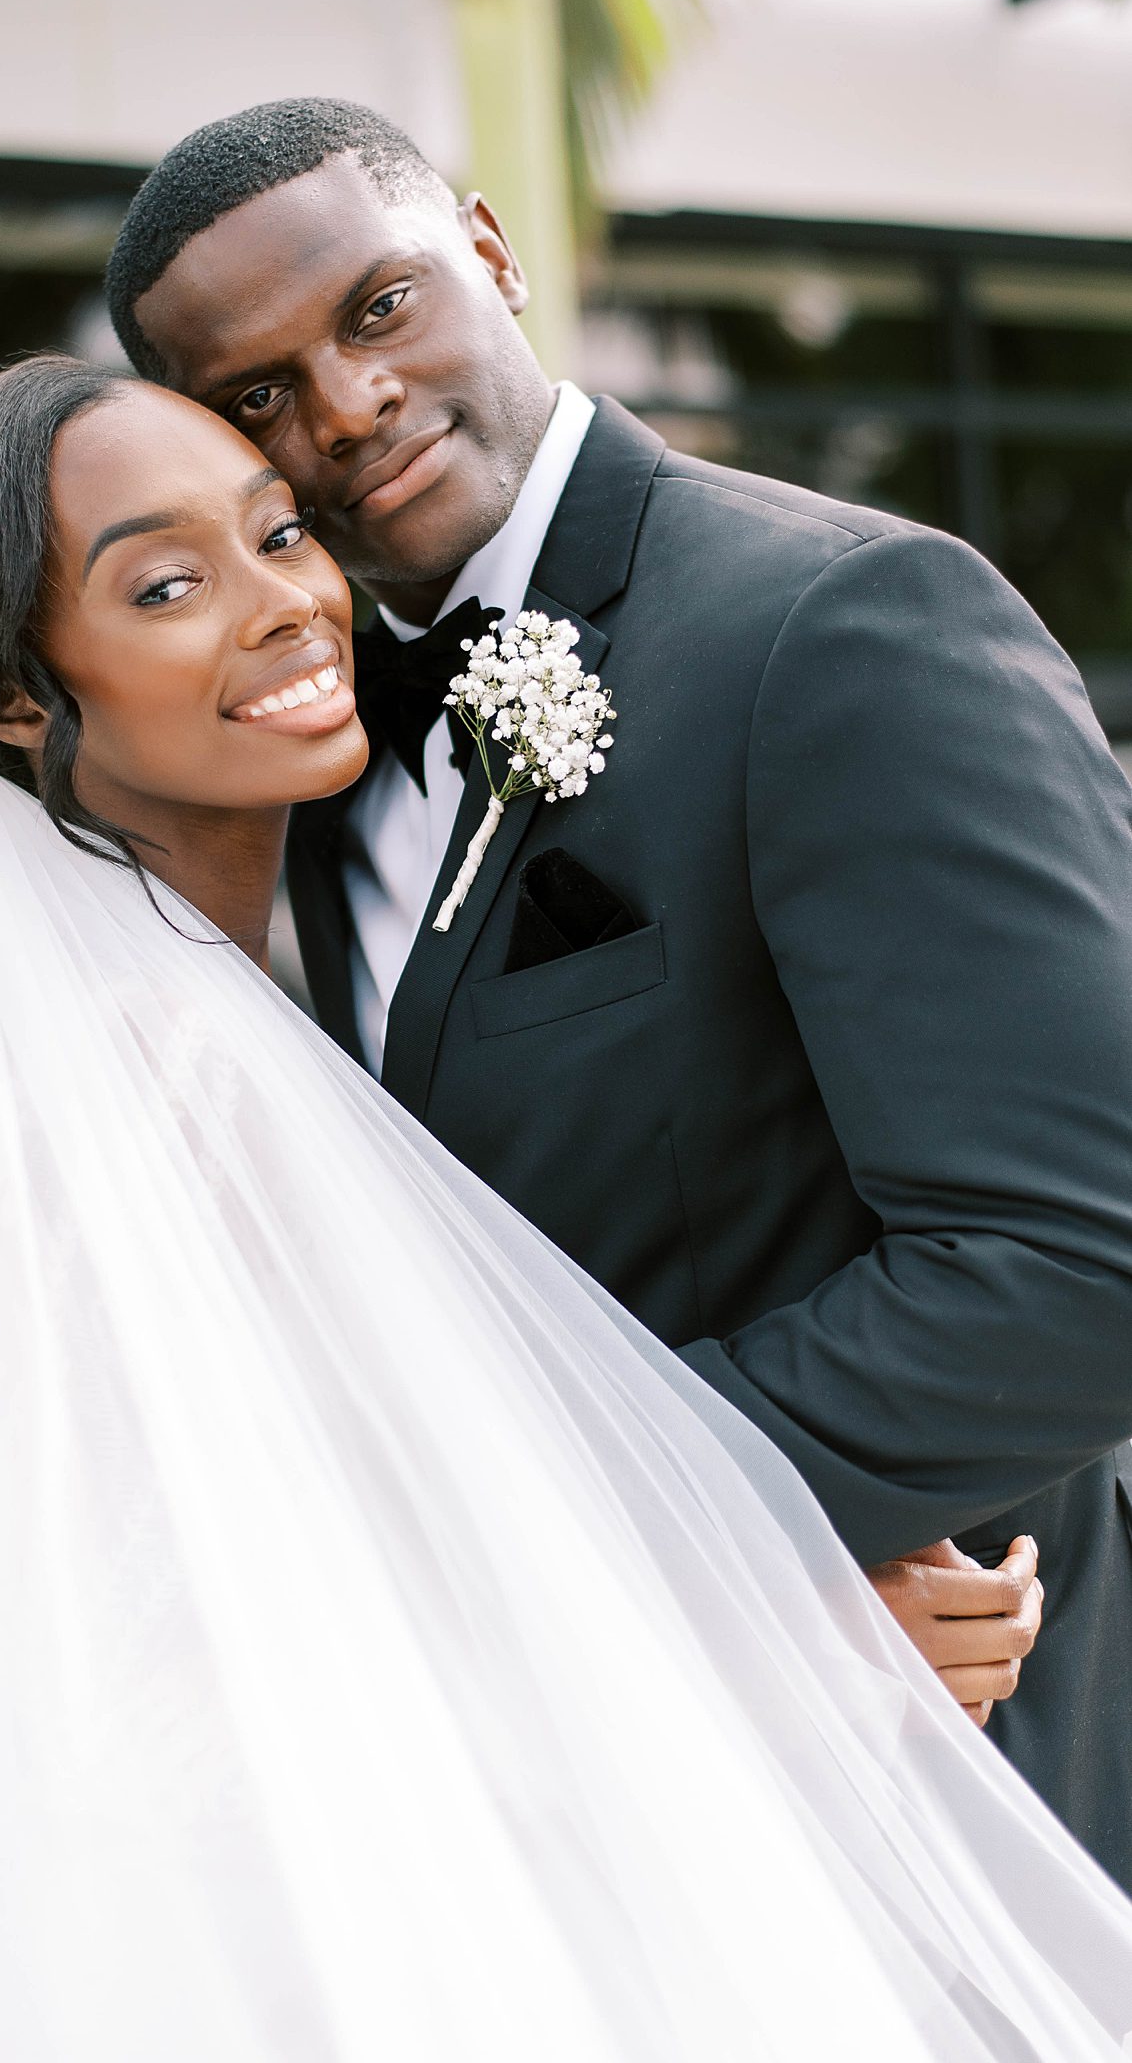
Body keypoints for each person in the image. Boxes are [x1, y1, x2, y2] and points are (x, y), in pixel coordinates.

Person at [0, 355, 1131, 2060]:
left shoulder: (264, 983)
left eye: (279, 534)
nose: (283, 605)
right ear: (20, 705)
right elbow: (156, 1705)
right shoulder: (159, 1088)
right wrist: (763, 1628)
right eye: (169, 584)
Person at [105, 98, 1132, 1886]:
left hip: (931, 1773)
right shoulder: (308, 740)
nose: (344, 408)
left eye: (375, 310)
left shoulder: (843, 624)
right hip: (593, 1816)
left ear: (490, 256)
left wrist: (646, 1545)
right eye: (259, 395)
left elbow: (1083, 1259)